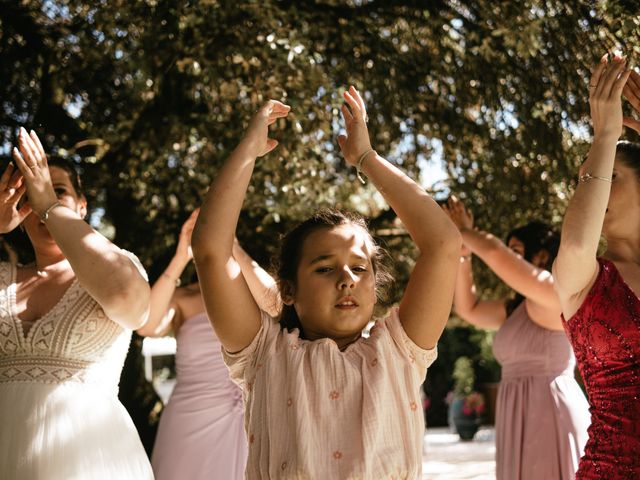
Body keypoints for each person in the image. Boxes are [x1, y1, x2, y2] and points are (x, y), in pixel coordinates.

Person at [191, 86, 462, 478]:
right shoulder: (263, 355)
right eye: (324, 268)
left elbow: (444, 243)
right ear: (287, 289)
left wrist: (366, 158)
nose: (347, 279)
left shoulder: (399, 351)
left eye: (360, 267)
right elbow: (211, 251)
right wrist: (247, 151)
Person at [0, 128, 153, 479]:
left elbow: (131, 301)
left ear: (82, 207)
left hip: (90, 462)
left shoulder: (118, 263)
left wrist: (48, 206)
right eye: (31, 194)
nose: (40, 200)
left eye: (59, 191)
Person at [444, 197, 590, 479]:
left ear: (542, 256)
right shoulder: (516, 308)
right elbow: (468, 309)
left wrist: (465, 231)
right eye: (509, 251)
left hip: (548, 410)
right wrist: (464, 253)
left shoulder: (554, 296)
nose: (510, 259)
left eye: (516, 251)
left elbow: (496, 255)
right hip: (517, 412)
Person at [138, 209, 279, 480]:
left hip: (254, 420)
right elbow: (147, 325)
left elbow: (277, 306)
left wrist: (231, 245)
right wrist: (181, 256)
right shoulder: (181, 298)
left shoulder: (254, 292)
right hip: (189, 419)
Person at [554, 54, 640, 478]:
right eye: (588, 178)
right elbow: (573, 243)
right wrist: (605, 136)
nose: (595, 185)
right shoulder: (587, 277)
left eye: (610, 176)